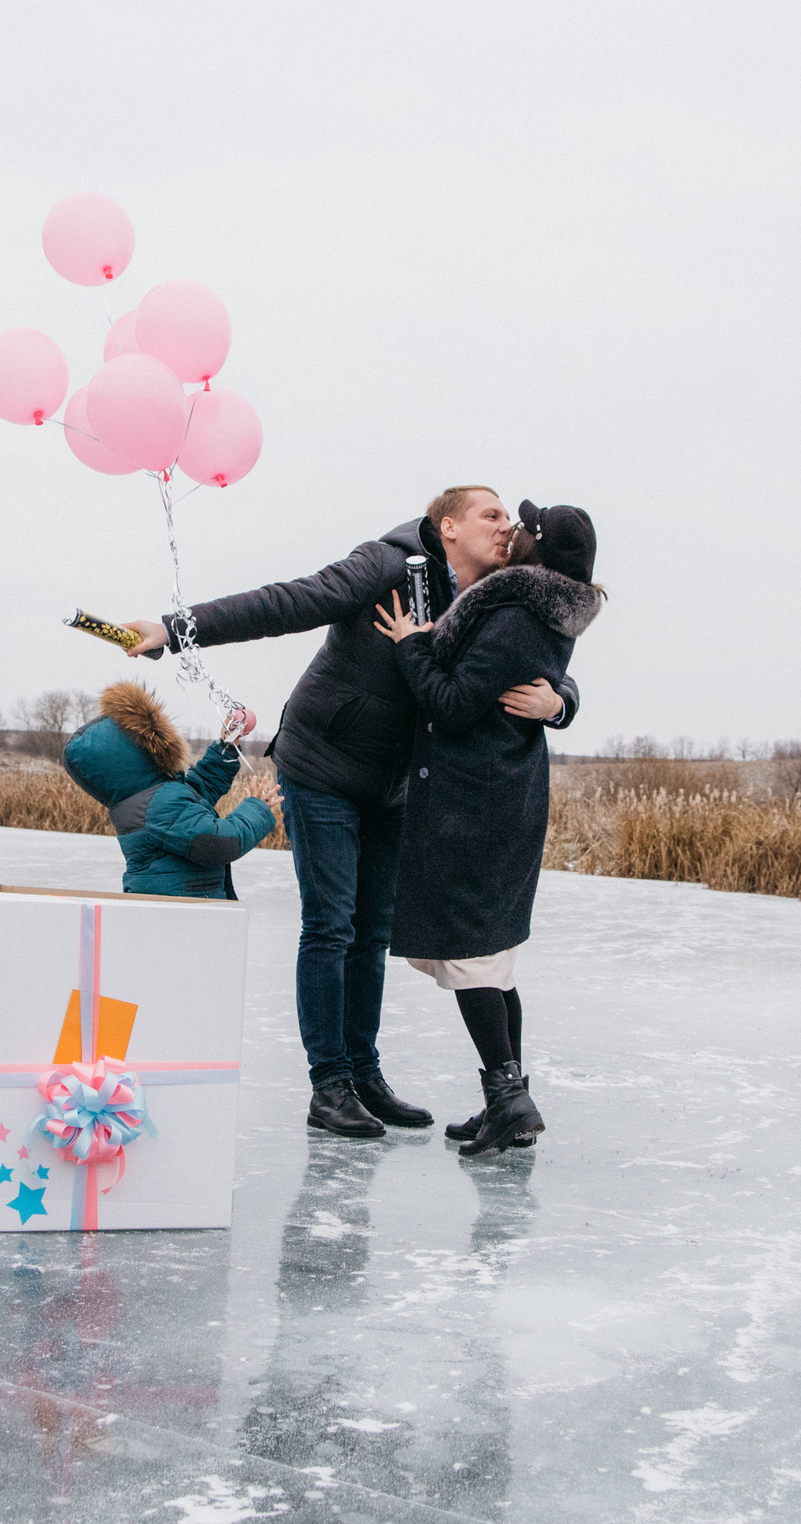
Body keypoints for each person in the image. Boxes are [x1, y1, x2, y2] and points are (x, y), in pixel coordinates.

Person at [119, 487, 580, 1138]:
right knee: (331, 925)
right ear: (448, 525)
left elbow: (535, 649)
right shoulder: (386, 564)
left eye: (509, 517)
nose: (507, 526)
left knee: (372, 932)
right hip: (323, 765)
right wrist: (173, 628)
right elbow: (287, 602)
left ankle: (365, 1074)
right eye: (492, 514)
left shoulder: (493, 593)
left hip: (394, 782)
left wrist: (560, 701)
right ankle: (330, 1084)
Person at [373, 501, 603, 1158]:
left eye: (523, 526)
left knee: (472, 955)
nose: (512, 530)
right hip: (507, 794)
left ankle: (509, 1099)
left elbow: (451, 704)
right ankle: (509, 1101)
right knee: (493, 959)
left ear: (538, 548)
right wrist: (560, 702)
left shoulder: (513, 613)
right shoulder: (544, 609)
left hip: (477, 802)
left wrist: (412, 645)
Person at [61, 681, 284, 900]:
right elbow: (218, 843)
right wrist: (256, 810)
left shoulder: (148, 798)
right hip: (184, 913)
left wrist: (225, 748)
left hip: (179, 906)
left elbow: (198, 791)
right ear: (137, 753)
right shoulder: (159, 804)